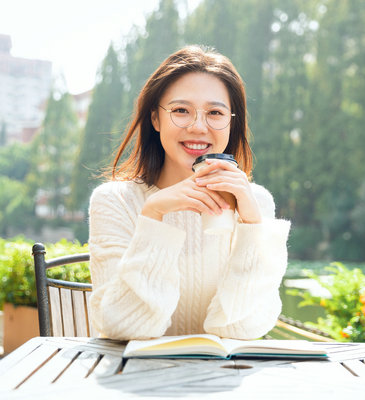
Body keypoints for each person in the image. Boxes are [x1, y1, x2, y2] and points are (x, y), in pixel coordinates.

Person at [87, 45, 290, 340]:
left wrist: (251, 226)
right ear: (155, 118)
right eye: (181, 110)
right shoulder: (115, 201)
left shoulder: (255, 201)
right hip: (137, 379)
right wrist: (154, 215)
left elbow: (241, 330)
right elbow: (123, 328)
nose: (198, 127)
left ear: (232, 123)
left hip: (223, 379)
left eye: (215, 113)